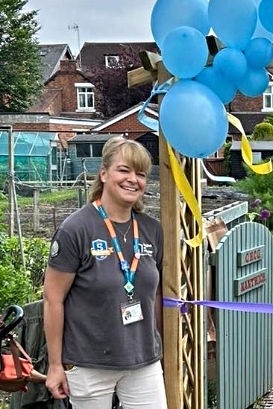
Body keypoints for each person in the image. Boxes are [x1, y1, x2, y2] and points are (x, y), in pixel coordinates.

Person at [44, 137, 167, 409]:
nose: (132, 179)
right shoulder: (76, 229)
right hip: (90, 363)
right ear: (103, 174)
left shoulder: (151, 229)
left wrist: (162, 350)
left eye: (141, 174)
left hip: (143, 360)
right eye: (124, 170)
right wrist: (55, 365)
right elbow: (53, 299)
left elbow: (156, 294)